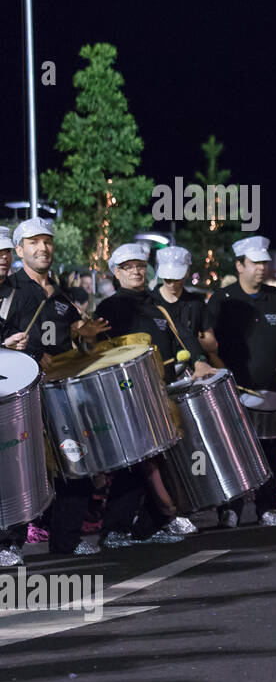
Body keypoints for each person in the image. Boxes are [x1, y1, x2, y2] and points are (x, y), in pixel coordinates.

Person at [90, 243, 209, 549]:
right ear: (117, 273)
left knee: (162, 460)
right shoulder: (109, 307)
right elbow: (98, 352)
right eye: (128, 267)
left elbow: (183, 336)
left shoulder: (158, 304)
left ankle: (148, 526)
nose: (137, 271)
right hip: (128, 395)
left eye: (140, 266)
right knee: (134, 463)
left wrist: (199, 360)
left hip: (162, 391)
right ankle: (114, 530)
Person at [11, 218, 109, 556]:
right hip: (20, 398)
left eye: (47, 242)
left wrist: (86, 335)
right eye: (34, 242)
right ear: (19, 249)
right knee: (21, 469)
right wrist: (32, 357)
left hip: (59, 395)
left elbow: (72, 335)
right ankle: (9, 542)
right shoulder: (9, 290)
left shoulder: (61, 294)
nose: (43, 248)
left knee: (74, 461)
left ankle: (66, 539)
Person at [206, 235, 276, 528]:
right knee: (232, 449)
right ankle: (229, 509)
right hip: (233, 388)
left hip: (272, 387)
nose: (261, 268)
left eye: (264, 263)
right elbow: (207, 342)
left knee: (272, 449)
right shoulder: (223, 299)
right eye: (255, 263)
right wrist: (220, 371)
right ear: (239, 266)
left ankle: (267, 507)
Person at [0, 225, 44, 567]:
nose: (1, 259)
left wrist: (20, 344)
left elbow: (36, 339)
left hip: (10, 390)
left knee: (12, 463)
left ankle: (11, 539)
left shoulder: (24, 292)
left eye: (4, 252)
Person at [152, 246, 219, 376]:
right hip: (159, 374)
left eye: (176, 278)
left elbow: (212, 344)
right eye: (167, 279)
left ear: (187, 272)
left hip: (192, 373)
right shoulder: (149, 302)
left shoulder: (196, 303)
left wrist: (190, 340)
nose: (172, 284)